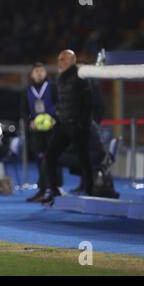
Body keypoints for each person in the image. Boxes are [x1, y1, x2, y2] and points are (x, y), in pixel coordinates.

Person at [43, 50, 93, 205]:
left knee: (84, 159)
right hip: (64, 125)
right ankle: (54, 190)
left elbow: (88, 102)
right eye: (59, 59)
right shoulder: (59, 78)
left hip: (77, 125)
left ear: (73, 59)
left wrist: (82, 123)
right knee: (50, 156)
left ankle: (90, 191)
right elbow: (59, 102)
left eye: (63, 59)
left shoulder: (81, 76)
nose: (60, 62)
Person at [20, 62, 62, 202]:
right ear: (32, 74)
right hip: (37, 131)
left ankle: (55, 189)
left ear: (45, 73)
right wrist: (29, 122)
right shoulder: (27, 90)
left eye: (41, 71)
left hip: (52, 129)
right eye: (36, 71)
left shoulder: (52, 87)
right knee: (39, 160)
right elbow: (24, 111)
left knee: (52, 159)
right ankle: (43, 189)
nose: (39, 73)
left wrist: (56, 119)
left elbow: (60, 104)